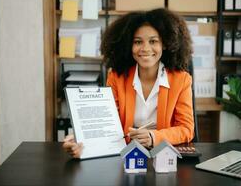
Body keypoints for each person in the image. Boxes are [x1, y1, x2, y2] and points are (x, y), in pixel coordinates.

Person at [63, 8, 194, 158]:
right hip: (124, 154)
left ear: (165, 44)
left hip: (163, 156)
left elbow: (186, 129)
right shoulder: (116, 77)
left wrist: (153, 137)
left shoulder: (181, 80)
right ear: (128, 45)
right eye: (138, 42)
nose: (145, 49)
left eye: (153, 41)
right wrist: (81, 139)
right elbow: (106, 121)